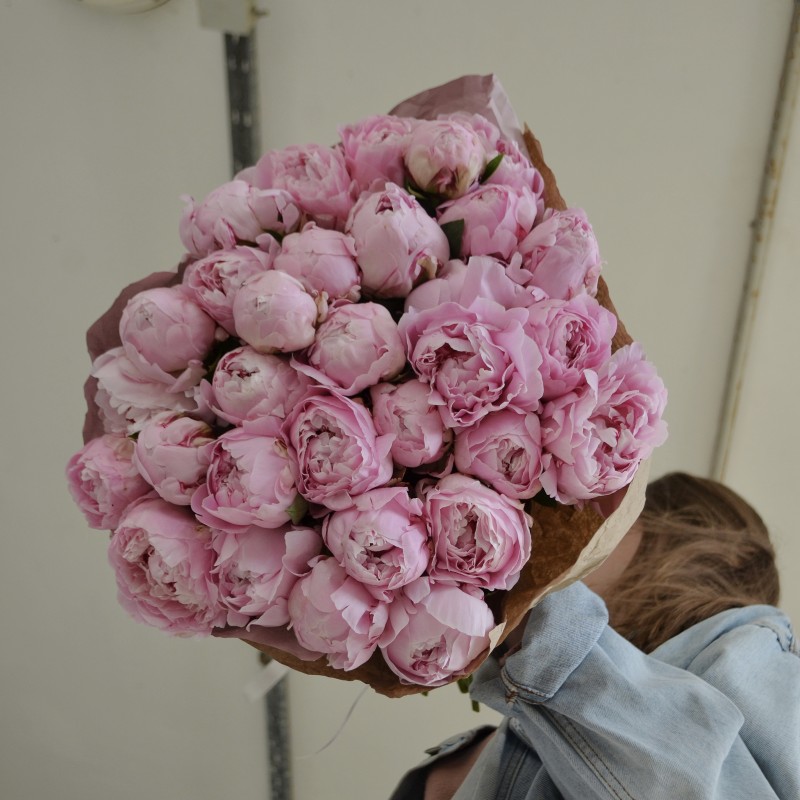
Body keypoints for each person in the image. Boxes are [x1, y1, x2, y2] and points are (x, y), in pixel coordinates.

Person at [390, 472, 798, 799]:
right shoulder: (531, 716)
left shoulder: (752, 648)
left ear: (684, 547)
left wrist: (535, 616)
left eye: (619, 520)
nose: (588, 532)